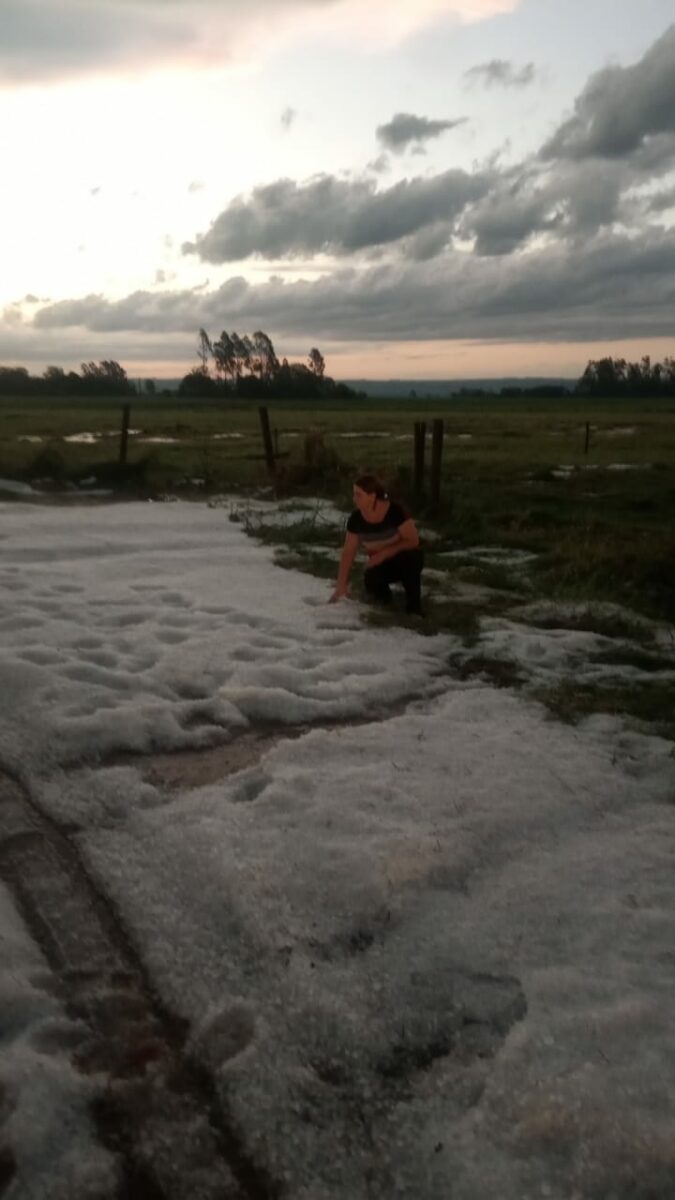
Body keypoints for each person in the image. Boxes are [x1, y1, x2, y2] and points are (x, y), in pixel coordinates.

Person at [329, 474, 424, 615]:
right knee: (371, 578)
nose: (354, 499)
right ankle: (386, 603)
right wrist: (340, 585)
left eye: (358, 495)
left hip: (404, 557)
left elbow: (413, 540)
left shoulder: (395, 511)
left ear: (372, 496)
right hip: (380, 564)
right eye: (354, 494)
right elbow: (348, 551)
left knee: (410, 560)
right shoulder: (356, 519)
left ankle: (414, 609)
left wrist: (385, 553)